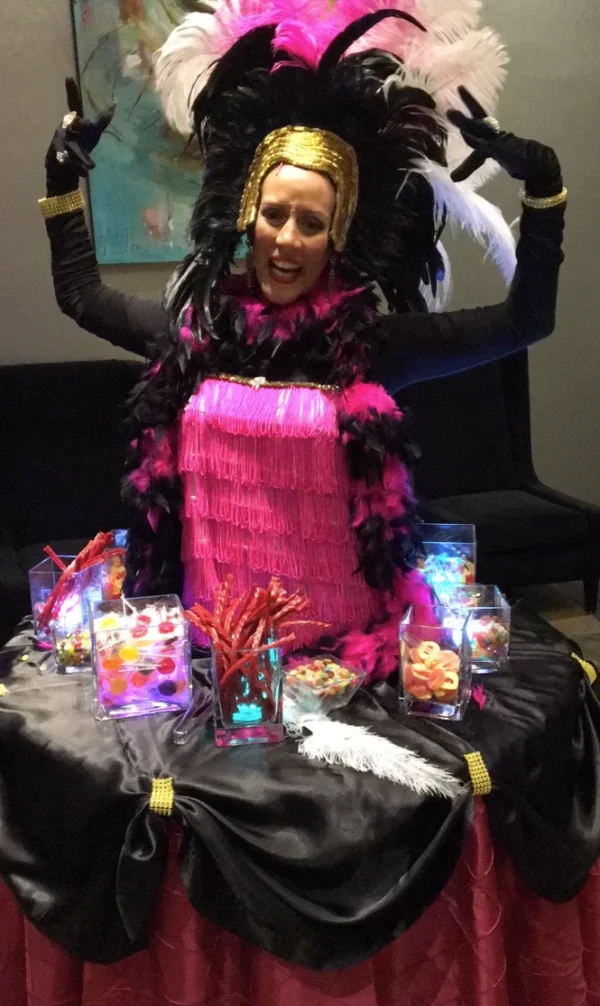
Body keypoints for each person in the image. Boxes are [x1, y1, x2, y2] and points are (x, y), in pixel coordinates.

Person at [40, 0, 566, 678]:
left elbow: (528, 322)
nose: (288, 240)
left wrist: (545, 195)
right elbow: (82, 295)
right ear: (247, 218)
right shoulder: (193, 330)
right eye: (275, 214)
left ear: (336, 237)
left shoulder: (372, 345)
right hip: (213, 652)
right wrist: (61, 185)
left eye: (311, 224)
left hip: (344, 661)